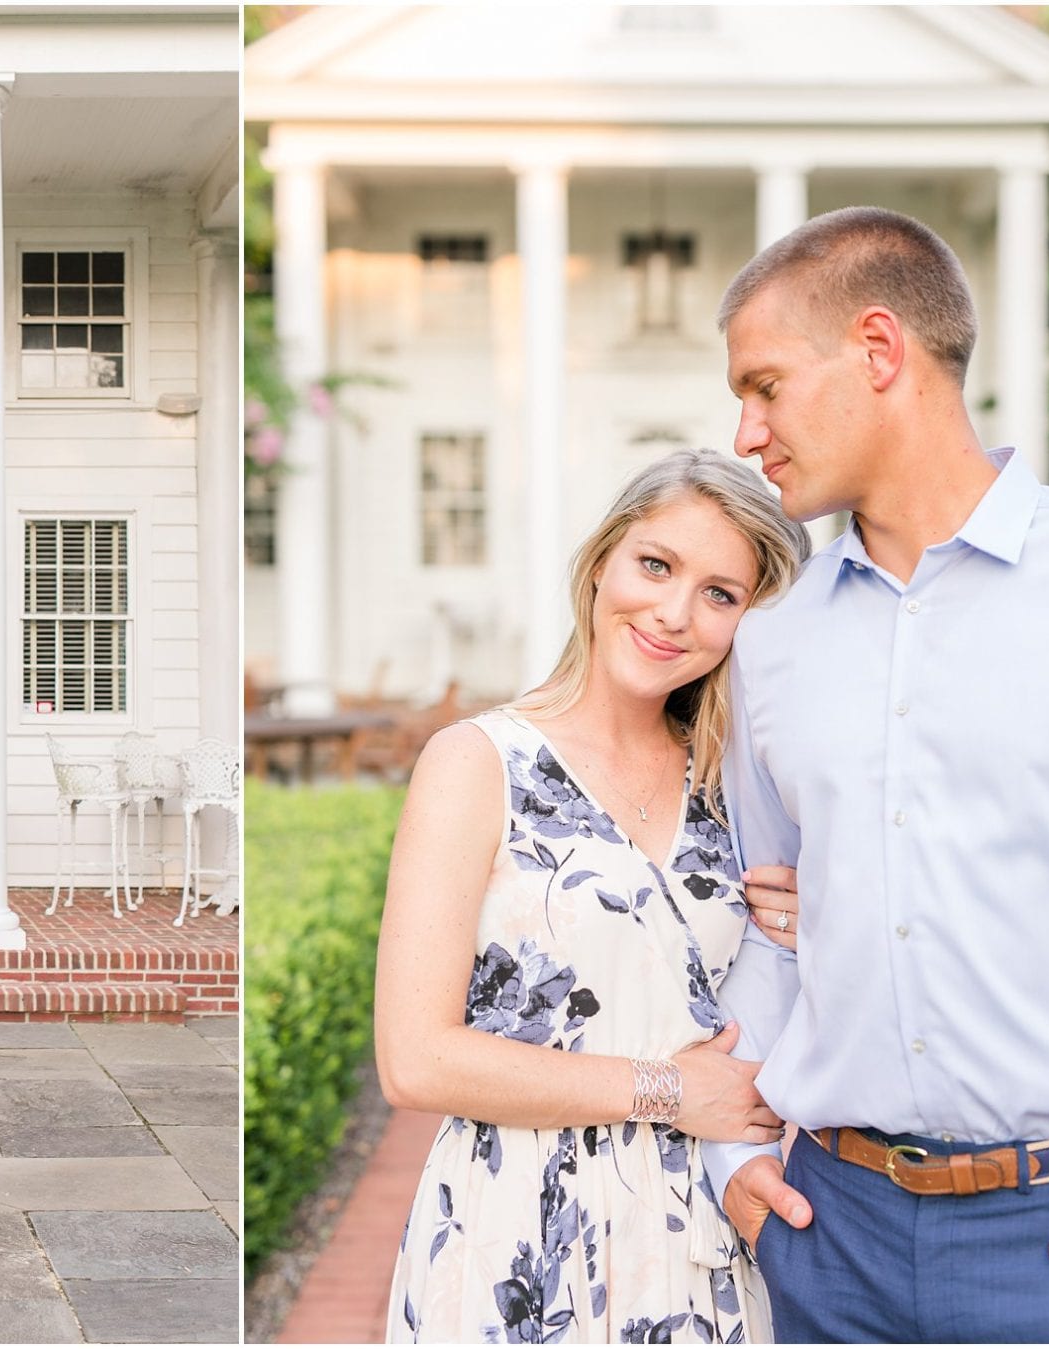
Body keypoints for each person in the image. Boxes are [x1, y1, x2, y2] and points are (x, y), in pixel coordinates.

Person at [707, 206, 1049, 1343]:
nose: (745, 433)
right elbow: (773, 922)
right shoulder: (770, 640)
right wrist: (734, 1157)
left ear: (880, 349)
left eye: (765, 386)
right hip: (829, 1234)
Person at [379, 448, 810, 1343]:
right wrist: (663, 1090)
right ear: (603, 560)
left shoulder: (738, 786)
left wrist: (822, 923)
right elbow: (415, 1059)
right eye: (656, 565)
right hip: (518, 1230)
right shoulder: (477, 763)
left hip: (708, 1230)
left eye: (721, 594)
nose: (672, 613)